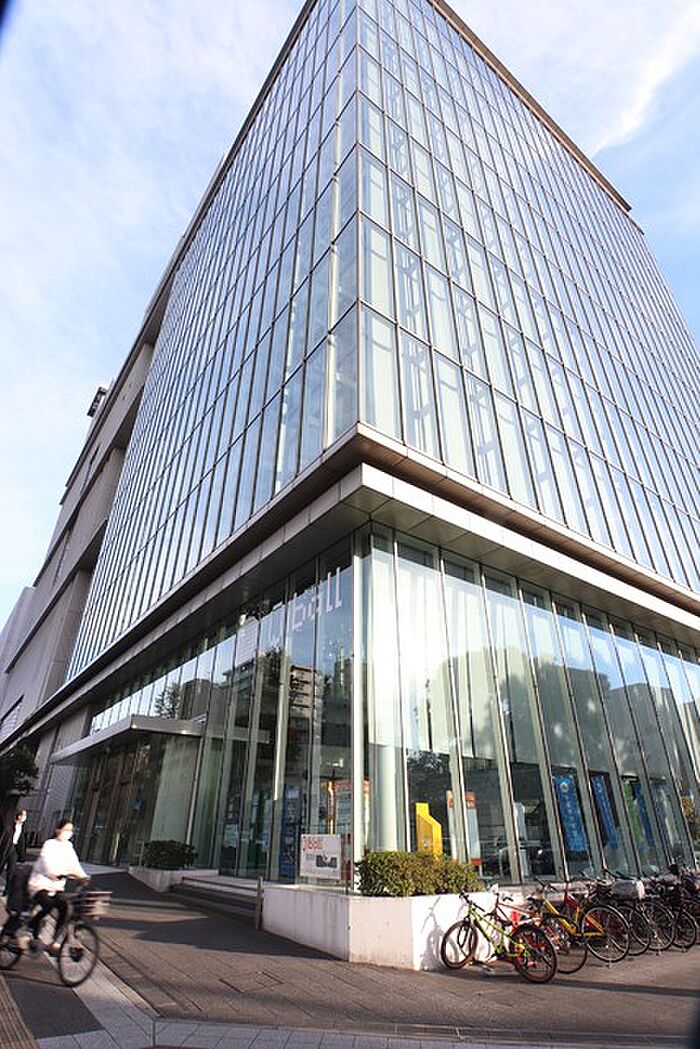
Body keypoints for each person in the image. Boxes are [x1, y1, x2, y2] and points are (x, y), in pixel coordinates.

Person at [28, 819, 88, 955]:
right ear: (58, 830)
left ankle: (54, 942)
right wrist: (53, 873)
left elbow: (74, 864)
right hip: (40, 884)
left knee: (65, 908)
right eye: (66, 829)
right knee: (48, 905)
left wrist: (83, 877)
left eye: (71, 830)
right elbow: (45, 861)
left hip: (56, 887)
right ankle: (33, 923)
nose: (69, 833)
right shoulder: (49, 844)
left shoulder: (68, 847)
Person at [2, 809, 27, 896]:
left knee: (11, 871)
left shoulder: (22, 827)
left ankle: (7, 890)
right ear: (19, 816)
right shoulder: (10, 825)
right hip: (6, 848)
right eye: (24, 815)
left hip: (15, 850)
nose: (25, 817)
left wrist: (22, 854)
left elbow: (22, 841)